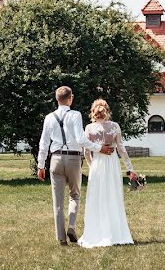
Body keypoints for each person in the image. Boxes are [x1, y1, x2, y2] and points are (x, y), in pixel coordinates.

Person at [37, 86, 114, 246]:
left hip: (55, 159)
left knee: (57, 201)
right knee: (74, 195)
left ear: (57, 99)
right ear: (70, 98)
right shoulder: (75, 115)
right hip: (72, 159)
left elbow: (43, 144)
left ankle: (61, 238)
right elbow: (81, 139)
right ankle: (71, 226)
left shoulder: (49, 118)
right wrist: (100, 148)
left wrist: (40, 165)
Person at [78, 99, 138, 248]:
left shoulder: (89, 128)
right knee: (113, 195)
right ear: (107, 110)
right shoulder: (115, 126)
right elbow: (121, 148)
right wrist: (129, 167)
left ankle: (97, 232)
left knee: (97, 196)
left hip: (98, 164)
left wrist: (92, 165)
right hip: (112, 164)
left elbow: (86, 151)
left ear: (93, 112)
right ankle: (116, 232)